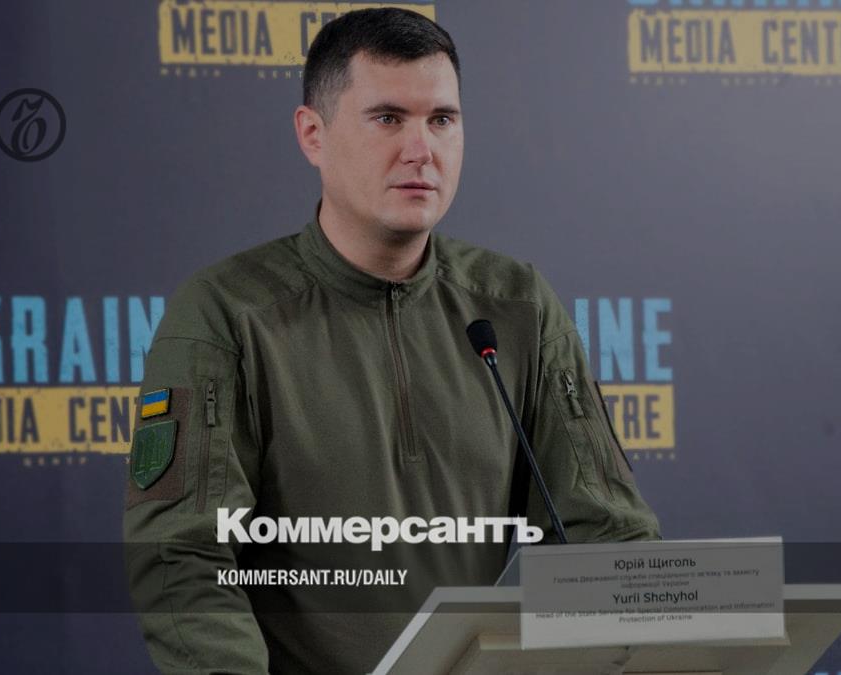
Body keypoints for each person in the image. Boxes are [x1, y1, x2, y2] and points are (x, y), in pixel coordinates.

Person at [123, 8, 660, 674]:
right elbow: (183, 556)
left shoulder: (517, 306)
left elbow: (608, 534)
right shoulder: (227, 313)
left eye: (442, 120)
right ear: (313, 135)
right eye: (387, 118)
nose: (421, 150)